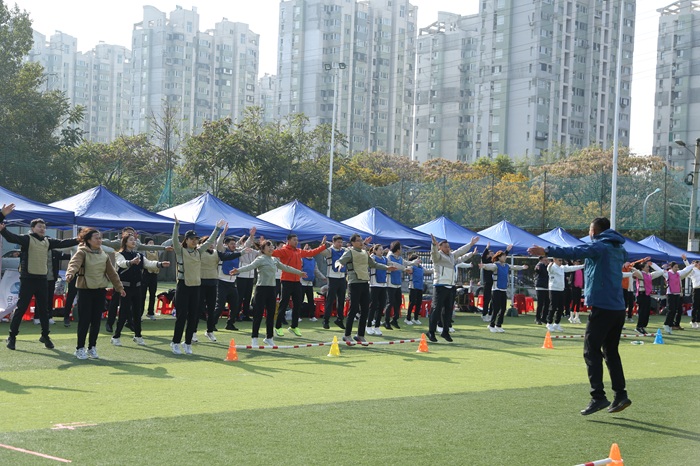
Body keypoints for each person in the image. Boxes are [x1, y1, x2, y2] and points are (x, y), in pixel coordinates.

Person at [528, 217, 632, 415]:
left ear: (595, 231)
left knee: (590, 350)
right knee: (611, 351)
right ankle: (620, 394)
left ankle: (598, 396)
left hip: (603, 306)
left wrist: (546, 251)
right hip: (618, 306)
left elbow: (575, 251)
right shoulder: (618, 248)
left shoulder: (599, 246)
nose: (589, 233)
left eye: (590, 230)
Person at [0, 204, 79, 351]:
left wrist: (80, 238)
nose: (42, 229)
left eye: (44, 227)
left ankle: (45, 336)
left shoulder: (48, 241)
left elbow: (64, 242)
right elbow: (10, 237)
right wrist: (2, 217)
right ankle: (12, 336)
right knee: (21, 308)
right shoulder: (27, 239)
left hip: (43, 280)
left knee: (44, 310)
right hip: (28, 280)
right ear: (32, 228)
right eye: (39, 226)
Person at [230, 240, 306, 347]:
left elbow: (286, 267)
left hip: (272, 289)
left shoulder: (274, 260)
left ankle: (269, 338)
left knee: (271, 315)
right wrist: (238, 270)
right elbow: (249, 267)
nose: (271, 249)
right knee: (258, 315)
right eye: (268, 247)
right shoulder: (260, 259)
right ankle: (254, 338)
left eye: (272, 247)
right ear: (263, 249)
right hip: (261, 289)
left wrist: (299, 273)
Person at [65, 228, 126, 360]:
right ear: (88, 240)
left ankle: (92, 347)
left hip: (100, 290)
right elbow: (74, 264)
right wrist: (70, 273)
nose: (99, 240)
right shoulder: (81, 252)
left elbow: (112, 273)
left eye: (100, 238)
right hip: (85, 290)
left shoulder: (103, 255)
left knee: (96, 321)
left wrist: (119, 287)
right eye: (96, 238)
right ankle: (79, 348)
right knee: (84, 321)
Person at [170, 215, 225, 355]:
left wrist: (217, 228)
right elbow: (174, 240)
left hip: (196, 287)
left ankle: (187, 343)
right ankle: (175, 342)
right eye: (192, 239)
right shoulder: (180, 251)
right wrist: (177, 226)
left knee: (193, 316)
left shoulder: (198, 252)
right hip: (183, 286)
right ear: (186, 240)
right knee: (182, 316)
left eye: (196, 239)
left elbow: (210, 241)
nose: (194, 241)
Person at [104, 226, 171, 333]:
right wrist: (92, 240)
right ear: (123, 236)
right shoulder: (118, 245)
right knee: (115, 302)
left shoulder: (137, 246)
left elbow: (148, 251)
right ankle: (110, 324)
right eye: (129, 234)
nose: (132, 237)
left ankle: (130, 323)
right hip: (121, 279)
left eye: (133, 234)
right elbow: (118, 259)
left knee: (133, 304)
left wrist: (161, 261)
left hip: (134, 280)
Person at [333, 234, 396, 345]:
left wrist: (387, 268)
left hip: (365, 283)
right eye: (358, 240)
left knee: (365, 310)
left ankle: (360, 335)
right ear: (353, 243)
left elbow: (373, 264)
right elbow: (339, 261)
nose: (361, 242)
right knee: (353, 309)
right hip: (354, 283)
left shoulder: (364, 253)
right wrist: (339, 265)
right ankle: (347, 335)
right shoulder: (349, 252)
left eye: (361, 240)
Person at [271, 233, 327, 338]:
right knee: (284, 304)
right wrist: (261, 245)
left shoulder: (298, 251)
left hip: (297, 281)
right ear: (288, 240)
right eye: (294, 240)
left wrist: (322, 246)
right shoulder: (283, 250)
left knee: (297, 304)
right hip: (286, 281)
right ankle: (278, 327)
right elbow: (271, 252)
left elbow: (312, 252)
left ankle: (294, 326)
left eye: (297, 240)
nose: (296, 242)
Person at [428, 234, 479, 342]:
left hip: (451, 286)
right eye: (445, 246)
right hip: (440, 286)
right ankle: (431, 332)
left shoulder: (451, 256)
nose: (448, 248)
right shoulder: (438, 256)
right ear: (440, 247)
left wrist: (470, 245)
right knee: (436, 309)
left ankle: (445, 332)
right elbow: (434, 253)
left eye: (448, 246)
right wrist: (433, 244)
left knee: (448, 311)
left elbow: (461, 252)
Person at [480, 249, 528, 333]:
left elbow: (514, 267)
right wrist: (484, 266)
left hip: (503, 289)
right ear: (499, 257)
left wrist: (522, 267)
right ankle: (491, 325)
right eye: (503, 256)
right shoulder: (495, 265)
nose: (505, 258)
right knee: (496, 308)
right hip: (496, 289)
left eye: (505, 256)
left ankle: (498, 325)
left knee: (503, 308)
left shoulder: (506, 266)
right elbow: (489, 266)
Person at [217, 232, 253, 332]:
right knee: (220, 306)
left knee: (236, 305)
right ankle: (212, 324)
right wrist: (222, 234)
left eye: (234, 243)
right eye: (231, 244)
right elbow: (219, 243)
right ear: (226, 244)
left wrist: (251, 236)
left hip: (232, 283)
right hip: (221, 282)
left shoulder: (237, 252)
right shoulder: (223, 251)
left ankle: (230, 323)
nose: (234, 245)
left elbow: (246, 246)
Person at [383, 241, 417, 329]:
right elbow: (395, 265)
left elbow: (406, 262)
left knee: (398, 302)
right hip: (390, 283)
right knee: (390, 303)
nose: (402, 250)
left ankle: (395, 319)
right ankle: (386, 321)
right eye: (401, 248)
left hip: (397, 283)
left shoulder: (400, 258)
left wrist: (414, 262)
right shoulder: (389, 256)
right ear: (397, 249)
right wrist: (405, 269)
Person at [546, 258, 584, 332]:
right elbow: (549, 269)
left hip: (561, 290)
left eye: (561, 260)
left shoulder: (562, 267)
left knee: (561, 308)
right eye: (559, 260)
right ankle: (549, 323)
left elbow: (572, 268)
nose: (561, 262)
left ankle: (557, 323)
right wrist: (550, 264)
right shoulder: (552, 267)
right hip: (553, 290)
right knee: (553, 307)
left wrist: (583, 266)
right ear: (554, 260)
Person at [320, 235, 348, 330]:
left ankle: (340, 319)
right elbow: (321, 252)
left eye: (341, 242)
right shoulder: (330, 251)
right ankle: (326, 320)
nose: (340, 244)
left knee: (341, 300)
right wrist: (323, 243)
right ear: (334, 242)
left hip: (342, 277)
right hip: (332, 278)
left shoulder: (344, 250)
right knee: (330, 300)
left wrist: (364, 243)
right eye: (338, 242)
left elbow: (352, 250)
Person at [633, 260, 664, 335]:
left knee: (647, 312)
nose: (648, 268)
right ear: (642, 268)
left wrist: (652, 264)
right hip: (641, 295)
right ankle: (639, 326)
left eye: (648, 267)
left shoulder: (650, 275)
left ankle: (643, 326)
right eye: (647, 267)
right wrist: (642, 261)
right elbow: (635, 270)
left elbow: (661, 272)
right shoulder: (640, 274)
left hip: (647, 295)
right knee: (642, 311)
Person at [367, 244, 389, 336]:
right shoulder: (373, 258)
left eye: (382, 249)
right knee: (373, 305)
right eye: (379, 249)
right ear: (375, 251)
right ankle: (368, 325)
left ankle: (377, 326)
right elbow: (368, 260)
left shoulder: (385, 259)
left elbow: (392, 264)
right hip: (374, 284)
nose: (381, 251)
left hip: (383, 284)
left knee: (381, 305)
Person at [300, 244, 326, 322]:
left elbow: (316, 271)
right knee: (300, 300)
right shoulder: (302, 259)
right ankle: (298, 316)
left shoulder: (313, 260)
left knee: (311, 300)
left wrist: (323, 277)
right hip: (302, 282)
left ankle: (312, 316)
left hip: (310, 283)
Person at [405, 254, 432, 325]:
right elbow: (408, 270)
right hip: (413, 286)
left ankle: (415, 318)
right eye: (418, 259)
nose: (419, 260)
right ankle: (407, 318)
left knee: (419, 303)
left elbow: (427, 271)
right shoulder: (411, 266)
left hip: (420, 287)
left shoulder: (420, 267)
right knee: (412, 302)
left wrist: (435, 270)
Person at [140, 237, 161, 320]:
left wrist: (172, 239)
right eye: (150, 243)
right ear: (145, 244)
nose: (152, 244)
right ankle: (140, 314)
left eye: (152, 242)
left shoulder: (157, 251)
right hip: (145, 274)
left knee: (153, 294)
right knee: (142, 295)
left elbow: (164, 246)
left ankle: (150, 312)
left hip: (154, 274)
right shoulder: (144, 251)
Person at [679, 256, 700, 329]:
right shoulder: (693, 271)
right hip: (696, 289)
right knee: (695, 306)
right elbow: (688, 267)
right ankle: (693, 321)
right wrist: (685, 260)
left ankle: (698, 321)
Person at [533, 255, 550, 325]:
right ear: (541, 260)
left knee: (547, 303)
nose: (546, 261)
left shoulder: (548, 266)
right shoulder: (539, 265)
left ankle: (544, 318)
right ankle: (537, 318)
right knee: (540, 303)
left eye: (546, 259)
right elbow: (537, 270)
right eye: (544, 260)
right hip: (540, 286)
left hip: (547, 287)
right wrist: (542, 266)